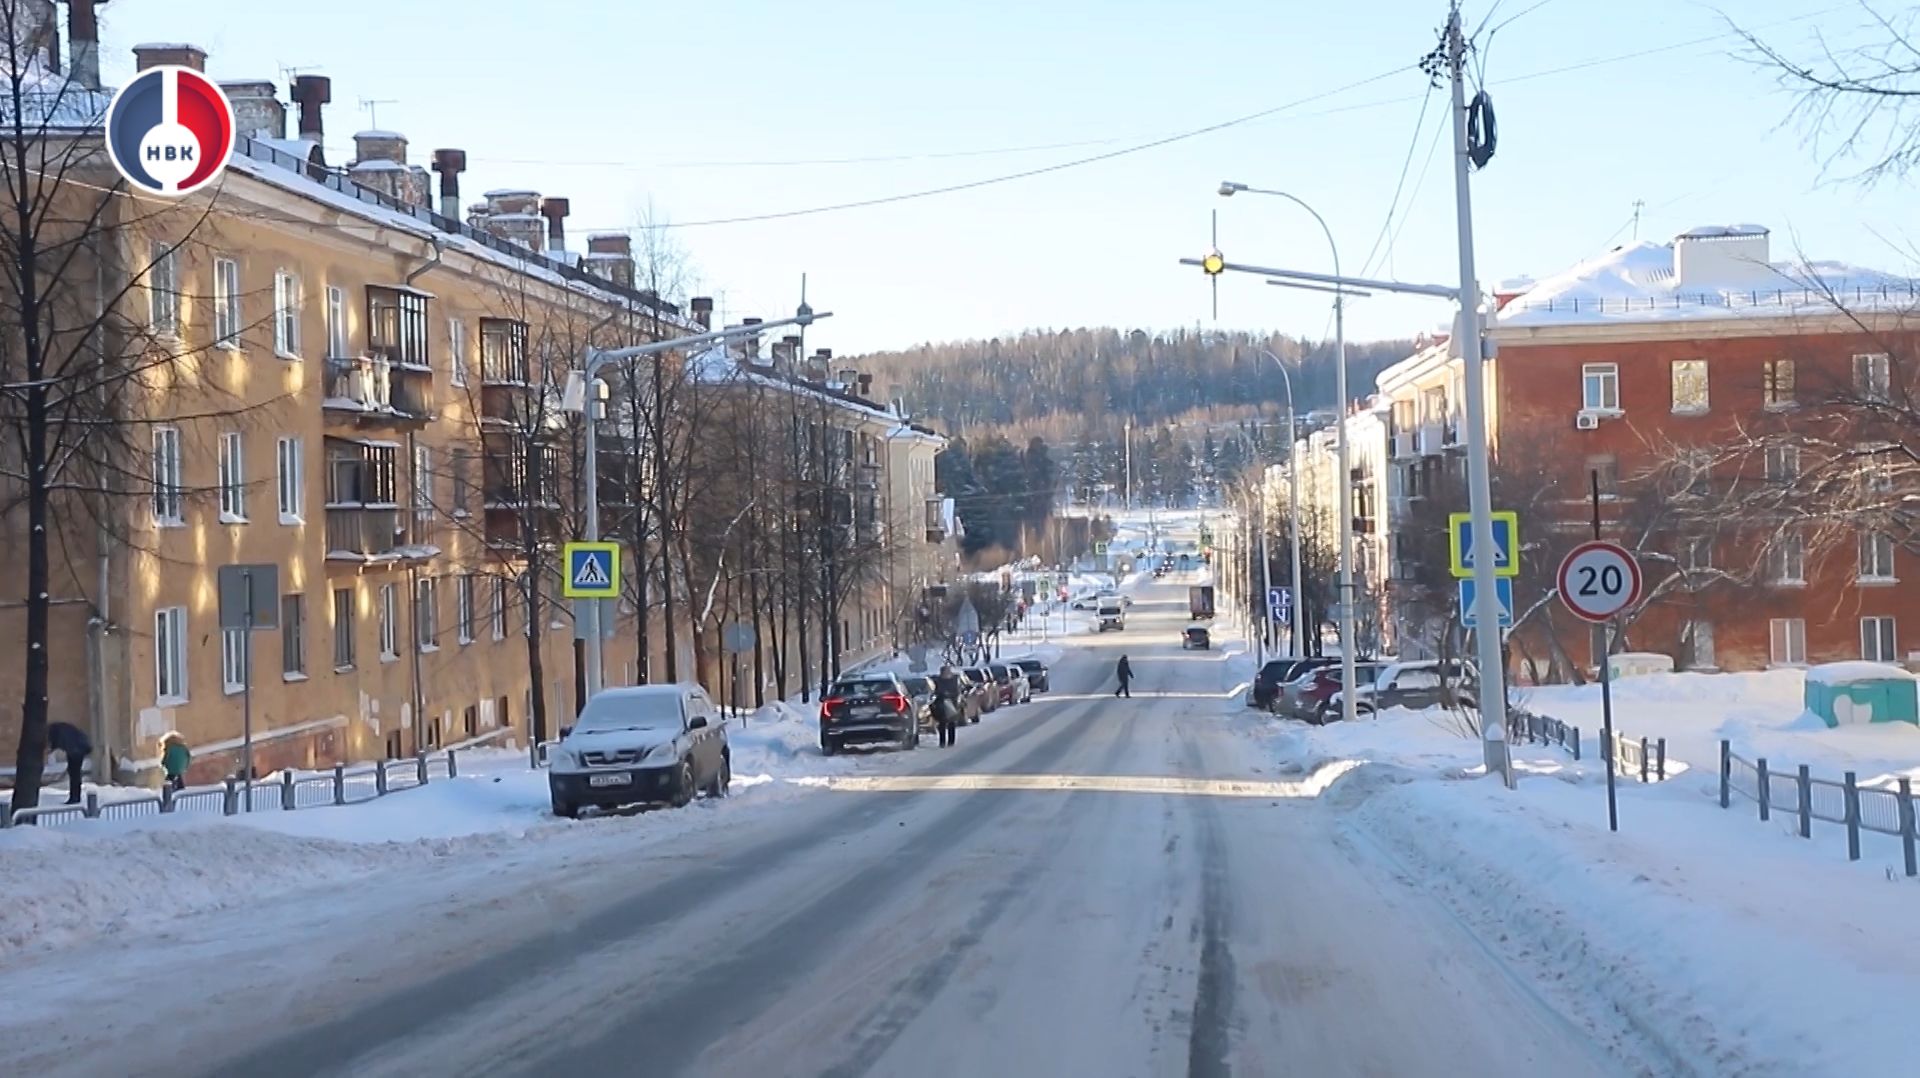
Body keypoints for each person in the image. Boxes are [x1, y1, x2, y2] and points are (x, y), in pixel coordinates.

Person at [46, 721, 92, 805]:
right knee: (75, 774)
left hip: (76, 750)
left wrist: (50, 749)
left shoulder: (54, 731)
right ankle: (75, 796)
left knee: (74, 774)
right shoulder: (60, 729)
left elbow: (56, 743)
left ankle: (75, 797)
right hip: (78, 748)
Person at [933, 664, 963, 747]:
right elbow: (935, 691)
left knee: (951, 723)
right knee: (942, 724)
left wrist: (950, 695)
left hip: (952, 704)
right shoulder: (938, 681)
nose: (945, 674)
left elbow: (957, 691)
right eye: (943, 672)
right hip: (941, 704)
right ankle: (942, 741)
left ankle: (951, 741)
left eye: (946, 672)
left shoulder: (953, 680)